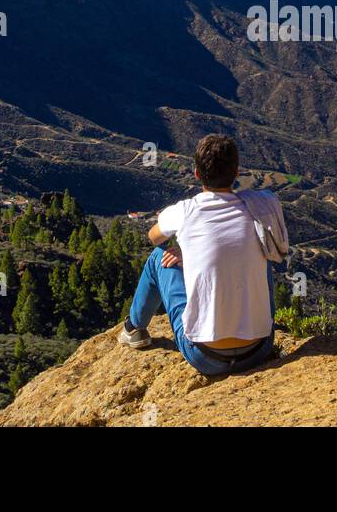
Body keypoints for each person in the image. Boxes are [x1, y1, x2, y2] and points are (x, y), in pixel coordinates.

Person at [118, 134, 286, 376]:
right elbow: (232, 245)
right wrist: (195, 253)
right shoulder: (262, 206)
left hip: (205, 356)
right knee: (262, 248)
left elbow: (154, 237)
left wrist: (190, 250)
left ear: (196, 173)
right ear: (237, 172)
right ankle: (254, 319)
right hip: (258, 349)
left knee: (158, 257)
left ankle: (134, 329)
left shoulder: (186, 211)